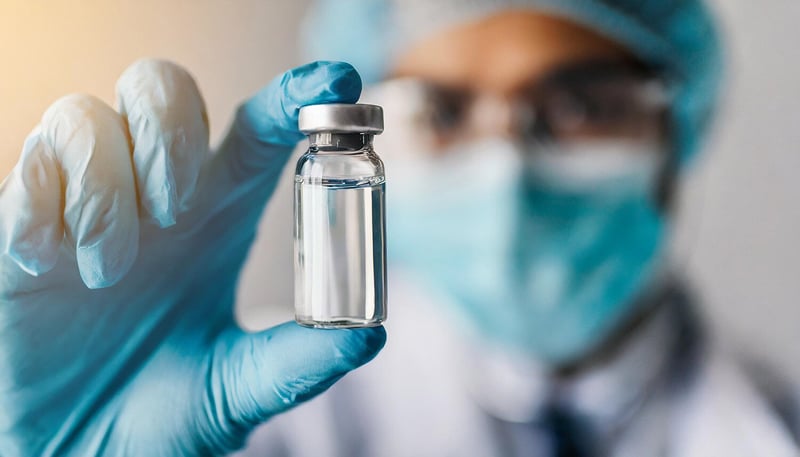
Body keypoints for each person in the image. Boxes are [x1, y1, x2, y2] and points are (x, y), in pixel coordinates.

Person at [0, 1, 796, 457]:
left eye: (580, 105)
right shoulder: (262, 428)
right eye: (440, 111)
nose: (505, 168)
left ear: (676, 130)